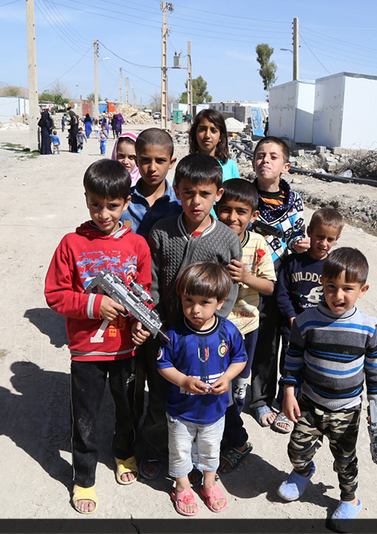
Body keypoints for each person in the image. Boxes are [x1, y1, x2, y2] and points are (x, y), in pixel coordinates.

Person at [44, 159, 151, 514]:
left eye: (113, 205)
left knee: (126, 409)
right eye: (95, 204)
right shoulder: (71, 244)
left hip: (126, 352)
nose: (103, 213)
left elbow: (145, 294)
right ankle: (84, 477)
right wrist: (94, 304)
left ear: (126, 201)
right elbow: (55, 295)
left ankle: (124, 454)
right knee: (85, 419)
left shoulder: (137, 245)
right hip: (87, 352)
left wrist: (140, 324)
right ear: (86, 198)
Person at [137, 152, 242, 481]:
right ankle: (155, 448)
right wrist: (156, 321)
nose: (196, 201)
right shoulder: (162, 231)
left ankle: (203, 457)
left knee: (206, 398)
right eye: (188, 192)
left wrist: (213, 325)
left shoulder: (226, 238)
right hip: (167, 332)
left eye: (205, 194)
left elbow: (231, 288)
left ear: (218, 194)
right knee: (159, 395)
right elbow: (152, 282)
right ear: (177, 191)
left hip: (207, 336)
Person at [277, 247, 377, 532]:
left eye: (348, 288)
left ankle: (350, 499)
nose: (338, 296)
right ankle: (303, 472)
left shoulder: (369, 327)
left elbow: (375, 370)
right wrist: (288, 391)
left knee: (345, 460)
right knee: (296, 449)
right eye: (331, 287)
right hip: (310, 403)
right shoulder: (305, 321)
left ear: (363, 289)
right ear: (321, 284)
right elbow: (293, 358)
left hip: (347, 411)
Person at [151, 261, 247, 515]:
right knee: (180, 449)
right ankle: (182, 486)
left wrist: (227, 378)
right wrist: (183, 381)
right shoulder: (173, 334)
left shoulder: (228, 331)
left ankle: (209, 483)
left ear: (221, 301)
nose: (195, 309)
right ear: (180, 298)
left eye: (205, 302)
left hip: (214, 412)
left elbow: (240, 359)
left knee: (211, 448)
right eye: (188, 300)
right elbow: (162, 364)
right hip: (180, 412)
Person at [120, 128, 182, 479]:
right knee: (130, 384)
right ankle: (126, 445)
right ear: (134, 160)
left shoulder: (181, 202)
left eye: (160, 161)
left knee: (160, 384)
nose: (152, 168)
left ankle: (155, 446)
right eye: (145, 160)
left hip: (166, 310)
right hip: (126, 309)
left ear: (171, 162)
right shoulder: (123, 201)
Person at [215, 179, 276, 472]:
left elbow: (269, 287)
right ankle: (226, 432)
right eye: (225, 210)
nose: (232, 217)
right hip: (214, 330)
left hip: (246, 328)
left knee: (238, 386)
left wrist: (247, 278)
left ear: (253, 215)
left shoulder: (259, 245)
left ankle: (235, 438)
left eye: (241, 211)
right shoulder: (211, 239)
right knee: (217, 384)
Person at [249, 136, 309, 429]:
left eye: (273, 156)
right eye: (260, 155)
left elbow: (299, 233)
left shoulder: (295, 200)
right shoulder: (245, 198)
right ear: (252, 162)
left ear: (285, 166)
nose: (265, 161)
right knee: (264, 342)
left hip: (288, 281)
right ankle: (259, 399)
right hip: (256, 280)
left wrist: (302, 244)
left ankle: (289, 401)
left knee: (291, 341)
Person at [271, 207, 343, 433]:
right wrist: (291, 317)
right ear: (309, 232)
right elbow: (281, 293)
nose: (323, 243)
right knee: (289, 364)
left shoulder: (334, 268)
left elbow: (338, 296)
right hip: (292, 325)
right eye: (319, 236)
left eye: (330, 239)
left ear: (337, 240)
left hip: (319, 327)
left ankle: (305, 405)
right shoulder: (293, 263)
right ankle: (285, 404)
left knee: (314, 365)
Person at [189, 109, 240, 183]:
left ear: (220, 137)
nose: (207, 135)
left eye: (213, 130)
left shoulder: (230, 166)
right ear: (195, 133)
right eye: (202, 129)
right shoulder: (187, 165)